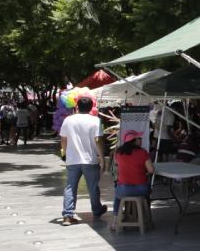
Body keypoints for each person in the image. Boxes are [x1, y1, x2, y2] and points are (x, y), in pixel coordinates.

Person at [59, 96, 107, 226]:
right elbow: (98, 140)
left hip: (72, 159)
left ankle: (68, 215)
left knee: (70, 187)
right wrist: (102, 157)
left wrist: (64, 152)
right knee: (93, 187)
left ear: (77, 106)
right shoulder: (95, 121)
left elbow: (63, 139)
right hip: (90, 159)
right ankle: (97, 210)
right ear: (91, 107)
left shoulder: (68, 120)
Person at [113, 129, 154, 217]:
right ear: (134, 141)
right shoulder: (143, 152)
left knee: (117, 196)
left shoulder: (118, 153)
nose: (141, 139)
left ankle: (115, 220)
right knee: (147, 195)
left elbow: (117, 170)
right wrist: (144, 173)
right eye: (139, 138)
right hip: (142, 189)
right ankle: (146, 217)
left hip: (124, 190)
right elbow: (151, 170)